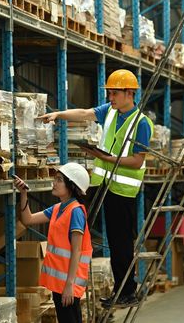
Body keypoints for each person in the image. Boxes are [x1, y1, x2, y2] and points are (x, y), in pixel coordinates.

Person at [37, 69, 154, 307]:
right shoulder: (109, 112)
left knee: (120, 242)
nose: (111, 97)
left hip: (122, 191)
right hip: (101, 184)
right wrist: (58, 114)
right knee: (77, 225)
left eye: (114, 93)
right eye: (109, 93)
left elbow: (138, 161)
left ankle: (126, 291)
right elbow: (84, 113)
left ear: (129, 93)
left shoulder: (141, 122)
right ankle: (70, 284)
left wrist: (106, 158)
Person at [15, 162, 92, 323]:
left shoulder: (76, 211)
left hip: (68, 283)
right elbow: (28, 219)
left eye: (59, 180)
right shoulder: (58, 208)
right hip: (60, 283)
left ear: (71, 186)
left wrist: (69, 285)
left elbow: (76, 251)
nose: (54, 183)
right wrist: (23, 194)